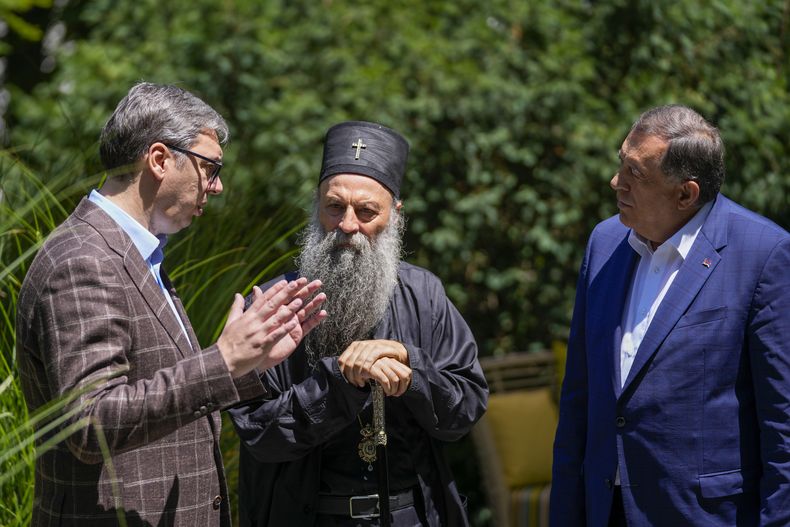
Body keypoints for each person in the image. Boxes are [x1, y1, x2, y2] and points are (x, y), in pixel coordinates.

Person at [16, 82, 326, 526]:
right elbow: (91, 424)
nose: (216, 186)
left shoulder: (138, 253)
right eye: (210, 168)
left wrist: (245, 365)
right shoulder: (83, 260)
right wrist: (222, 359)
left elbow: (159, 386)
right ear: (160, 159)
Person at [229, 121, 488, 526]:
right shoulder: (273, 304)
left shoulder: (425, 294)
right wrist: (337, 385)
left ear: (394, 214)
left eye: (367, 211)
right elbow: (257, 432)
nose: (348, 225)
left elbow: (466, 408)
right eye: (335, 207)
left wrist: (411, 365)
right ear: (317, 205)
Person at [550, 104, 790, 526]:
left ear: (686, 194)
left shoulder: (764, 255)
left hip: (704, 515)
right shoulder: (605, 243)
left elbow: (783, 425)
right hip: (606, 509)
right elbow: (579, 402)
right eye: (620, 164)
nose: (615, 182)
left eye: (635, 173)